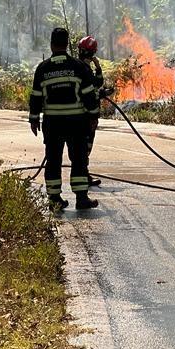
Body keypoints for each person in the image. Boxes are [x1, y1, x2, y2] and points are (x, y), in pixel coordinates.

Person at [29, 27, 101, 211]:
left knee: (53, 159)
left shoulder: (43, 69)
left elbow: (36, 96)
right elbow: (88, 94)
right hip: (76, 123)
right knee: (79, 159)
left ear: (52, 44)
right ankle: (81, 198)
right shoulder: (78, 66)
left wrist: (34, 118)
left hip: (52, 124)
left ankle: (54, 199)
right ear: (67, 44)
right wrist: (93, 116)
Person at [77, 35, 107, 187]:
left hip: (80, 114)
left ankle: (84, 174)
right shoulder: (85, 69)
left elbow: (96, 84)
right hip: (87, 115)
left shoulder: (78, 66)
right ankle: (83, 176)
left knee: (82, 147)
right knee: (85, 146)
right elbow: (94, 87)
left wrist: (98, 68)